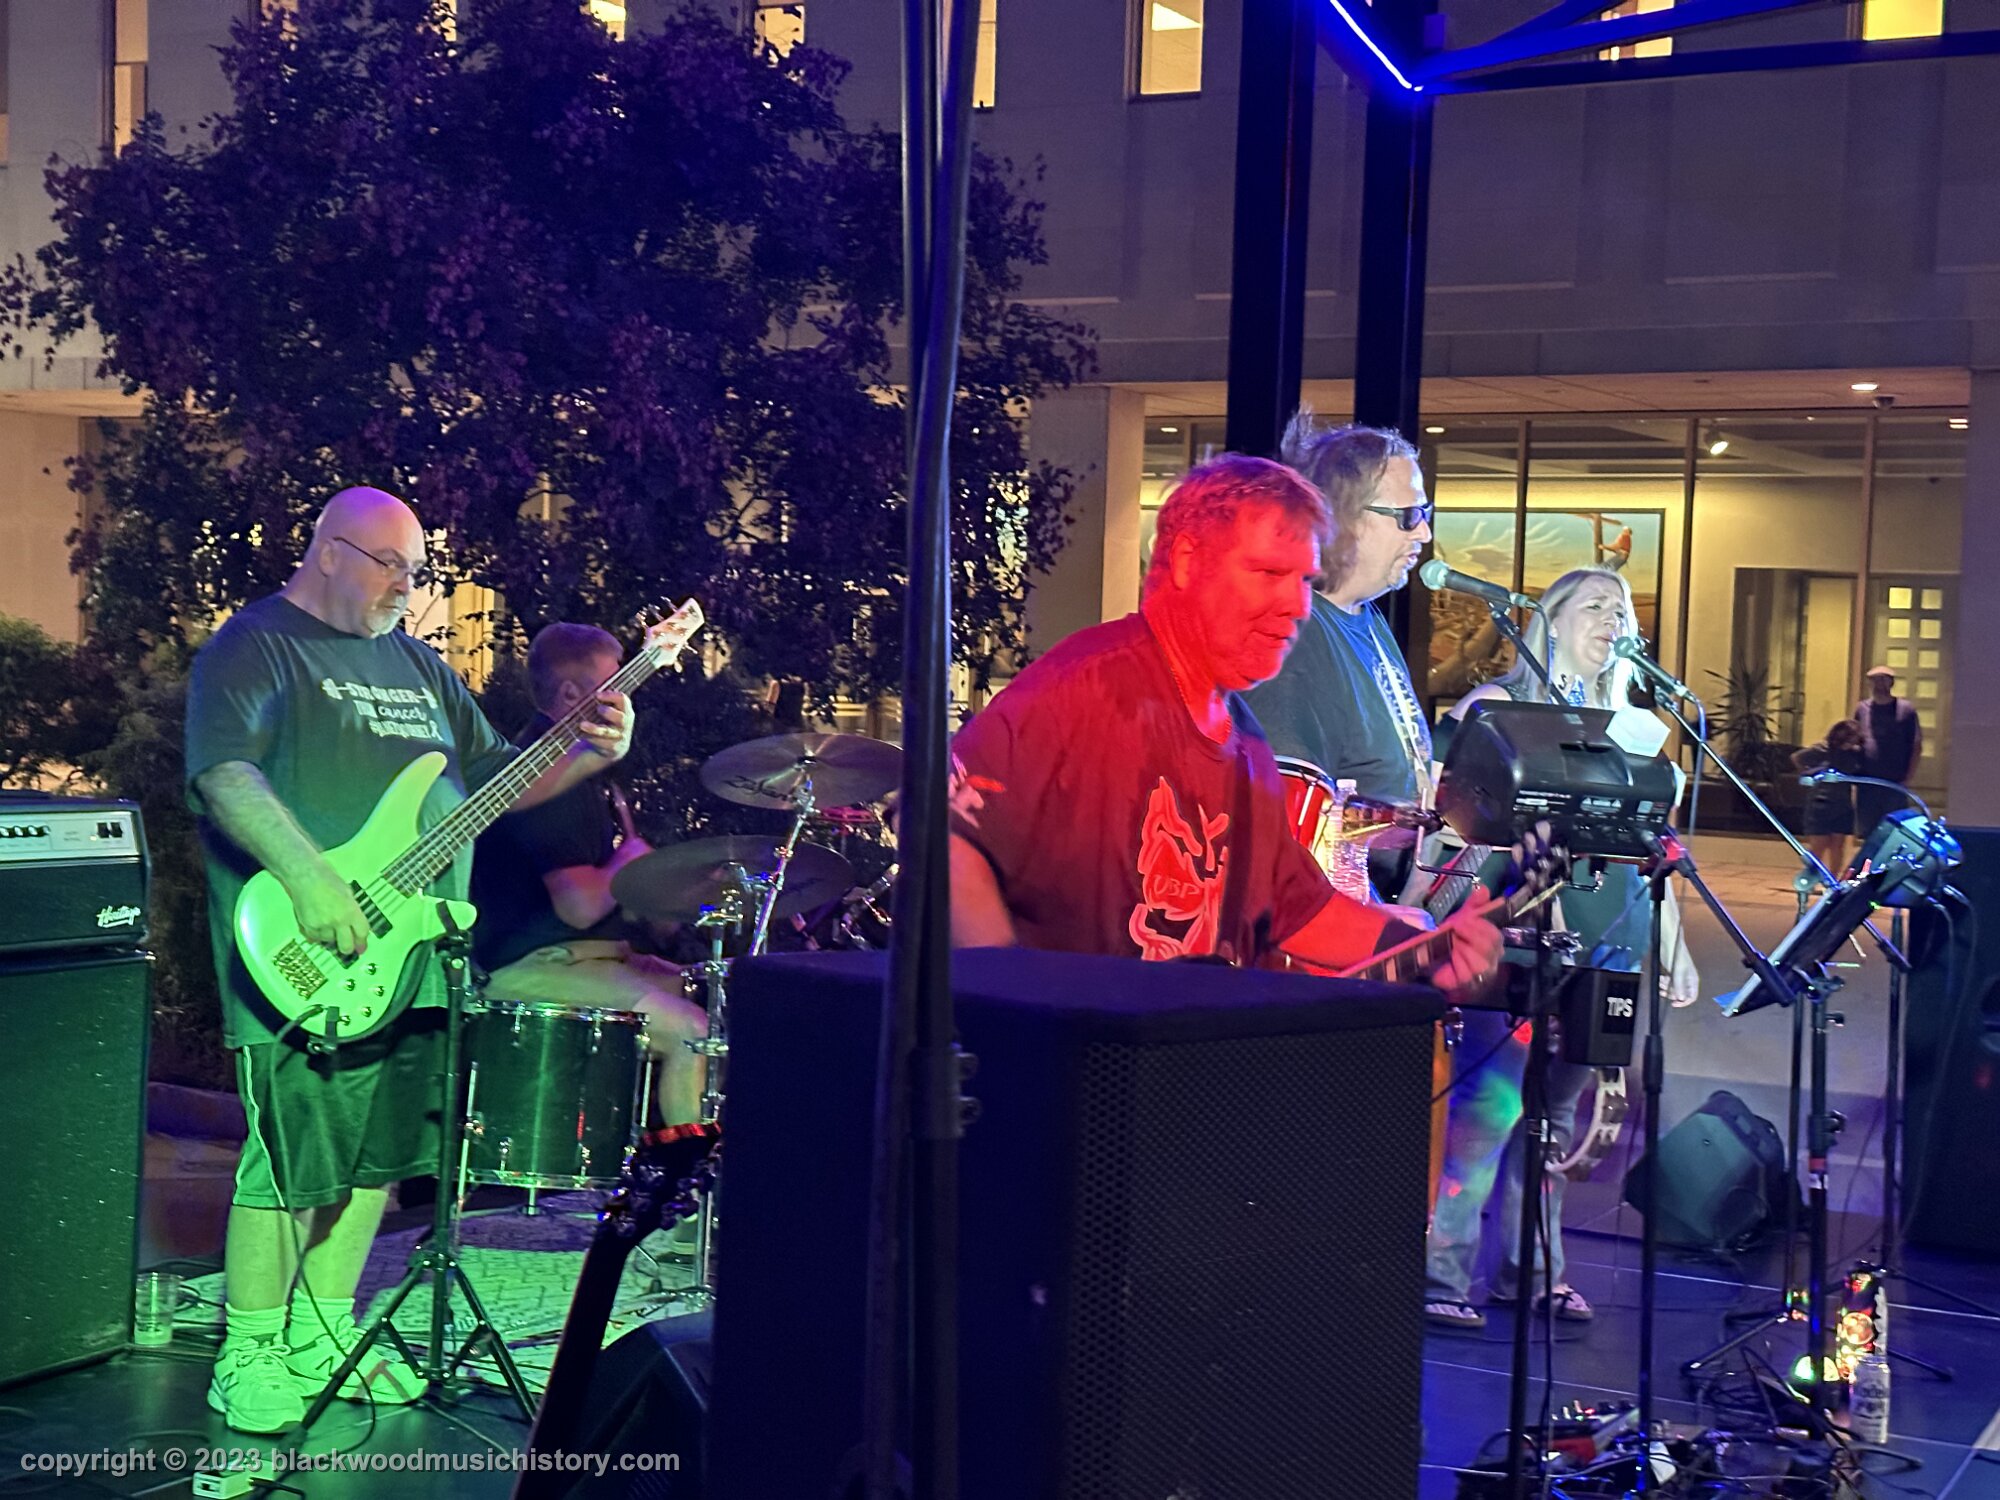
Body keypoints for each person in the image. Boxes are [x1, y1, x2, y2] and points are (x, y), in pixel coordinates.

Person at [186, 487, 635, 1433]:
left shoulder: (420, 666)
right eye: (392, 565)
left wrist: (594, 754)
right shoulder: (256, 644)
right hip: (306, 944)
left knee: (376, 1160)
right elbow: (226, 772)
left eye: (417, 571)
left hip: (415, 953)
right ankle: (248, 1351)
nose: (407, 586)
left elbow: (502, 781)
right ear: (330, 551)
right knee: (292, 1157)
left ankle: (321, 1333)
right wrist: (309, 878)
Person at [947, 452, 1503, 988]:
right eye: (1268, 572)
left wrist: (1430, 950)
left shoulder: (1245, 742)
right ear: (1188, 561)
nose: (1296, 607)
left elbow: (1296, 909)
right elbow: (946, 839)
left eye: (1303, 580)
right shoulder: (1087, 687)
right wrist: (1006, 1000)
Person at [1422, 566, 1699, 1331]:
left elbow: (1654, 847)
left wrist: (1671, 943)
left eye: (1622, 610)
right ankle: (1442, 1272)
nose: (1614, 620)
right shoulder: (1497, 709)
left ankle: (1534, 1272)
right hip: (1515, 938)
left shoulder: (1638, 731)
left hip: (1609, 944)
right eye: (1595, 606)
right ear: (1550, 618)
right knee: (1491, 1108)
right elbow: (1443, 819)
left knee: (1555, 1120)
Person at [472, 622, 706, 1124]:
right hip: (530, 966)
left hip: (584, 959)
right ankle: (685, 1173)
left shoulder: (577, 768)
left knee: (720, 999)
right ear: (571, 694)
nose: (623, 698)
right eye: (613, 684)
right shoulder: (538, 772)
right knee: (691, 1030)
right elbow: (578, 907)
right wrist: (628, 861)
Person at [1238, 418, 1436, 879]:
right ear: (1345, 517)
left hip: (1384, 901)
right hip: (1340, 909)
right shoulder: (1298, 640)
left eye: (1424, 513)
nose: (1424, 533)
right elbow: (1295, 823)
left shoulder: (1367, 619)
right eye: (1408, 516)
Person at [1852, 665, 1922, 838]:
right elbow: (1853, 740)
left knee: (1893, 832)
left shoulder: (1905, 709)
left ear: (1891, 683)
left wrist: (1908, 778)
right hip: (1867, 784)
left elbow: (1916, 745)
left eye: (1883, 679)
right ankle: (1869, 858)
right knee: (1868, 833)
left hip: (1894, 783)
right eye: (1875, 680)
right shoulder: (1862, 709)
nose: (1879, 684)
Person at [1793, 718, 1865, 877]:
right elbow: (1797, 758)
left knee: (1837, 845)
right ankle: (1810, 877)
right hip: (1820, 802)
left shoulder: (1853, 754)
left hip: (1842, 804)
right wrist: (1811, 774)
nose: (1851, 744)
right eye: (1848, 740)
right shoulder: (1822, 749)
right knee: (1819, 845)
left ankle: (1833, 879)